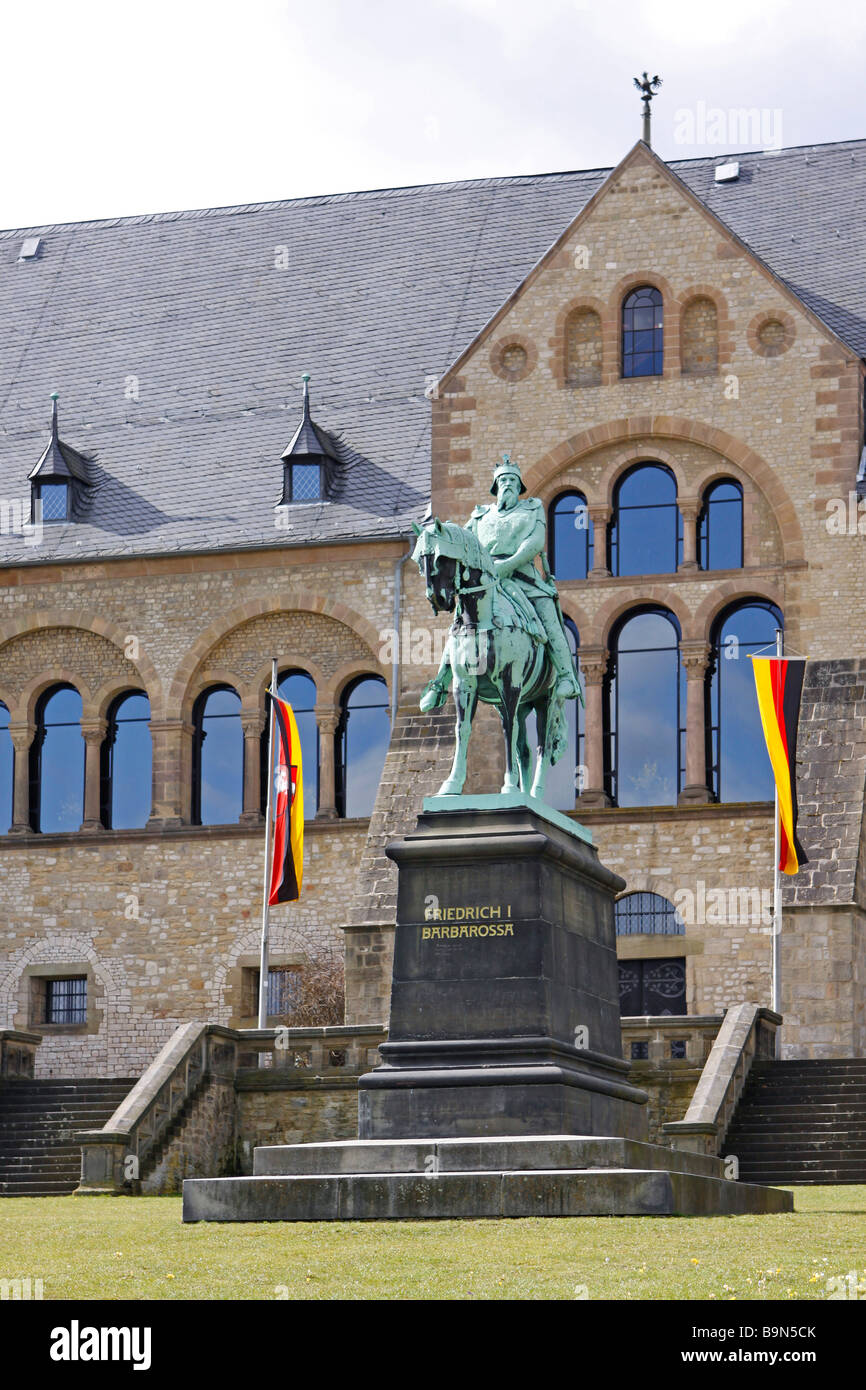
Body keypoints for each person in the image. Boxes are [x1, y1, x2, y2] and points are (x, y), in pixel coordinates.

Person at [420, 455, 580, 711]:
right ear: (496, 487)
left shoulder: (532, 509)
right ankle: (440, 682)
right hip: (486, 581)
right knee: (460, 624)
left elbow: (535, 542)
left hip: (523, 577)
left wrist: (508, 564)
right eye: (503, 480)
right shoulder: (481, 516)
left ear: (519, 487)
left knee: (549, 619)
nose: (508, 484)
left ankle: (565, 676)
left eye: (513, 481)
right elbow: (462, 541)